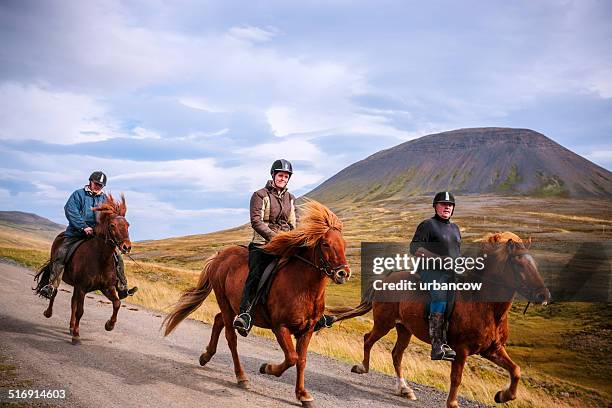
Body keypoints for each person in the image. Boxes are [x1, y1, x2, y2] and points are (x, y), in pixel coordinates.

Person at [232, 159, 334, 337]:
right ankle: (245, 314)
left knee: (310, 268)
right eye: (280, 175)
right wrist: (275, 238)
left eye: (286, 176)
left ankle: (315, 315)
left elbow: (294, 223)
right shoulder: (260, 195)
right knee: (256, 275)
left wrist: (296, 239)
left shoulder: (290, 198)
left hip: (287, 244)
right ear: (273, 175)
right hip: (263, 245)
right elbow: (256, 221)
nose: (283, 178)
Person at [39, 171, 137, 300]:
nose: (98, 187)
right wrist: (83, 226)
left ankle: (122, 287)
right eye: (96, 184)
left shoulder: (104, 199)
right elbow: (71, 210)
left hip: (96, 235)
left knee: (117, 257)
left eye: (101, 185)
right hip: (76, 232)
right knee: (61, 253)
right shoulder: (78, 195)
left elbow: (110, 218)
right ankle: (51, 286)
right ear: (90, 181)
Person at [410, 191, 460, 361]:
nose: (447, 207)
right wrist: (440, 260)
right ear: (435, 206)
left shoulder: (455, 228)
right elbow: (415, 249)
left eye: (450, 205)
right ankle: (437, 345)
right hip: (429, 271)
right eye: (443, 204)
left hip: (451, 271)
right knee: (439, 297)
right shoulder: (427, 225)